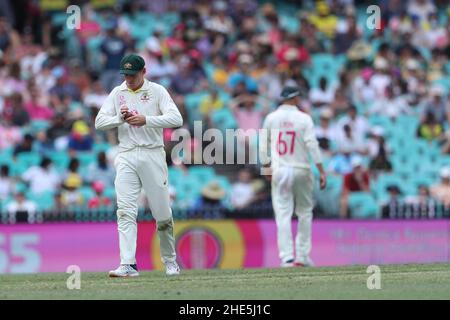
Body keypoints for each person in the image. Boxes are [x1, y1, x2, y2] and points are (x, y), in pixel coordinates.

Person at [95, 54, 183, 277]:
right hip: (126, 154)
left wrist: (147, 120)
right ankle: (128, 264)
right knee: (124, 210)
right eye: (125, 75)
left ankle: (170, 261)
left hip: (152, 153)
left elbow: (176, 119)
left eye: (133, 75)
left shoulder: (157, 91)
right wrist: (120, 118)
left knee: (162, 213)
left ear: (144, 71)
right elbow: (99, 122)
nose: (129, 79)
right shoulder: (118, 92)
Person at [260, 86, 326, 268]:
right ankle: (302, 256)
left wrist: (266, 168)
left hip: (280, 169)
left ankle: (287, 257)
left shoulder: (271, 118)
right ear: (296, 98)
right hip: (301, 168)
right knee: (304, 212)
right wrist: (321, 170)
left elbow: (263, 145)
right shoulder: (304, 118)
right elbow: (312, 145)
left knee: (283, 213)